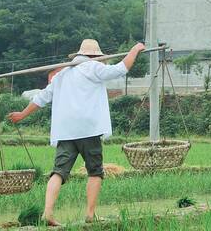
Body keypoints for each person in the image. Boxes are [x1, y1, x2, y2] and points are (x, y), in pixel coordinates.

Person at [8, 39, 145, 226]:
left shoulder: (62, 74)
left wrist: (22, 114)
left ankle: (47, 213)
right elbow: (121, 68)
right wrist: (135, 49)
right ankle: (90, 214)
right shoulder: (93, 68)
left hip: (66, 132)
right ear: (95, 56)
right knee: (95, 172)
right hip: (89, 130)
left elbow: (41, 98)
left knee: (58, 172)